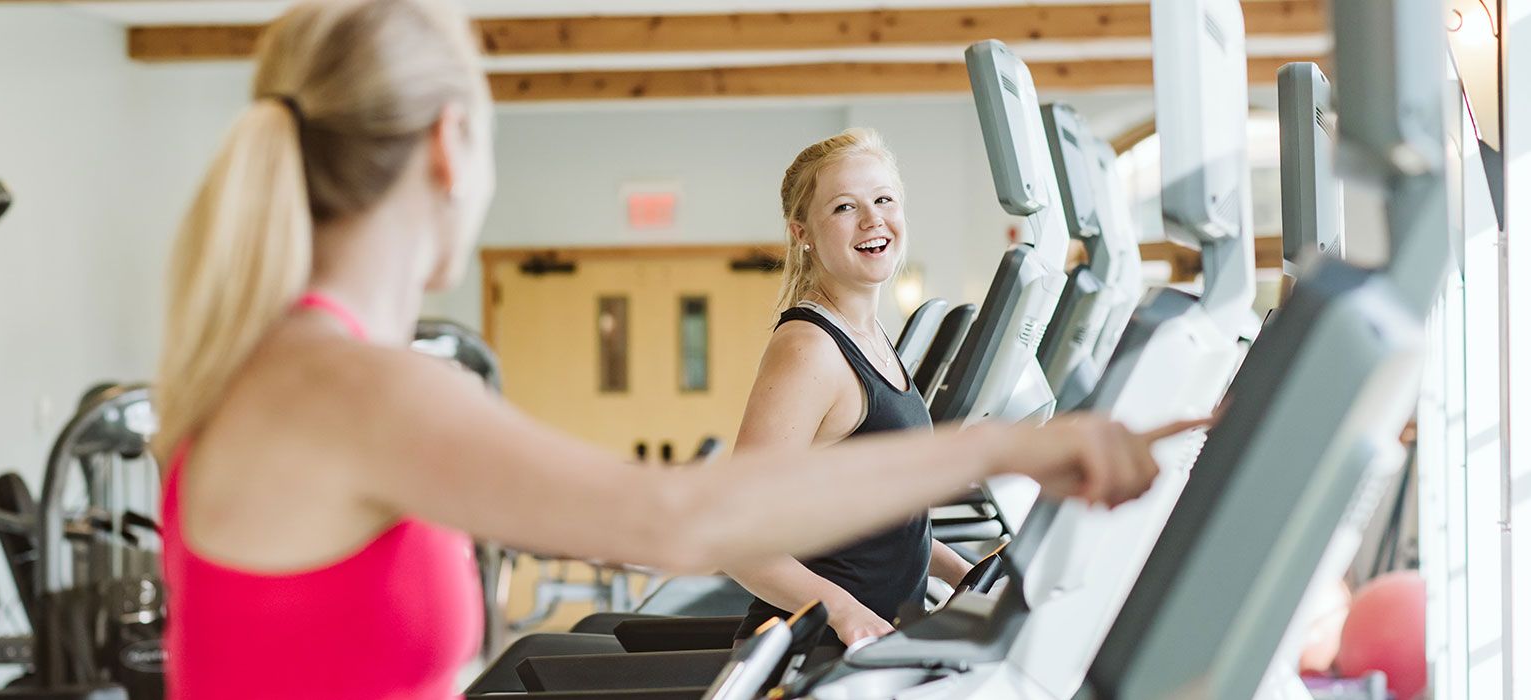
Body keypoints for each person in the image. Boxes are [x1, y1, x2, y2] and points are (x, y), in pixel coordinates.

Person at [152, 1, 1199, 698]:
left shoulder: (300, 369)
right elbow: (670, 518)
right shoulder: (350, 387)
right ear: (448, 146)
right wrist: (1006, 452)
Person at [725, 128, 973, 650]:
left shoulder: (873, 337)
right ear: (802, 233)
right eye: (844, 207)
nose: (872, 219)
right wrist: (846, 614)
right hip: (808, 659)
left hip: (866, 652)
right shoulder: (810, 346)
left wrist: (957, 570)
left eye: (884, 199)